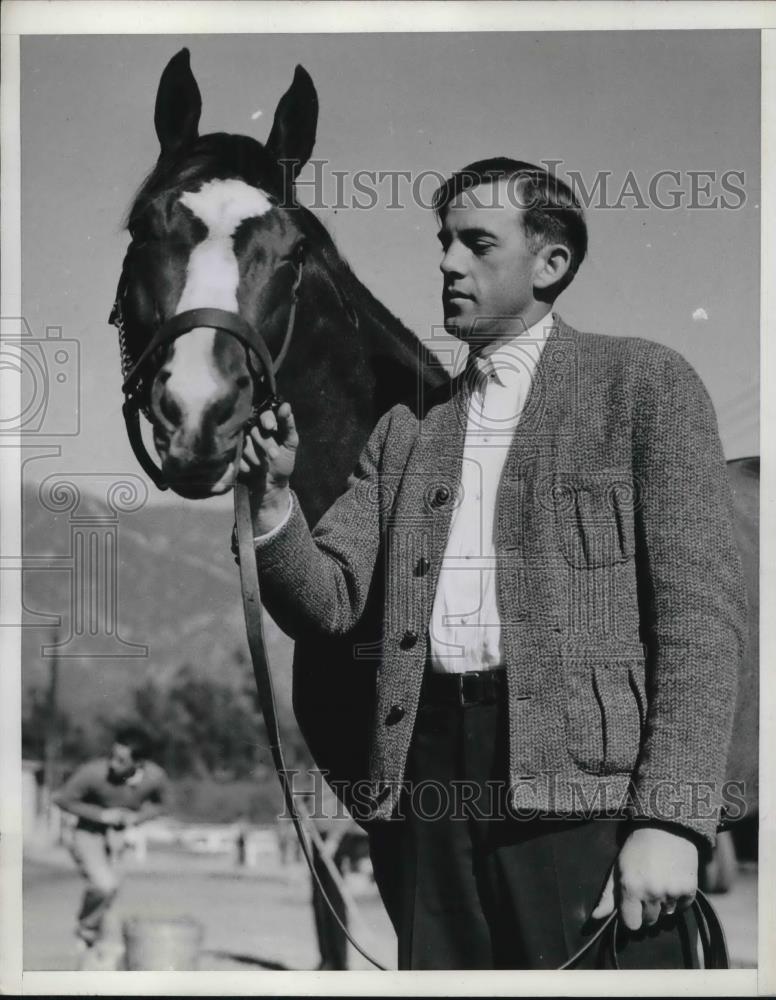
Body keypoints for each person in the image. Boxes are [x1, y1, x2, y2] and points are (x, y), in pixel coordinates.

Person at [236, 159, 747, 969]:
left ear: (553, 264)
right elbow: (328, 601)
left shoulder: (644, 386)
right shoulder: (408, 431)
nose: (446, 263)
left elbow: (700, 623)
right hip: (426, 789)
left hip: (585, 802)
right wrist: (271, 506)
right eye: (444, 243)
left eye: (477, 243)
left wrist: (674, 818)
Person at [52, 726, 170, 958]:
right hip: (88, 832)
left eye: (121, 760)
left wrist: (137, 817)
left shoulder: (155, 777)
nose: (113, 764)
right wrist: (101, 815)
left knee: (113, 892)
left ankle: (100, 947)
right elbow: (61, 799)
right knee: (103, 884)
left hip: (119, 834)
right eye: (112, 756)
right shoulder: (92, 772)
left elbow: (162, 805)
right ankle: (85, 931)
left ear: (140, 763)